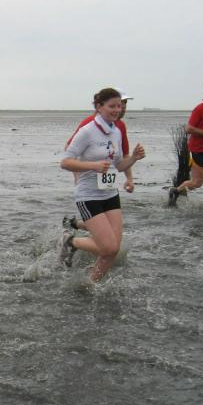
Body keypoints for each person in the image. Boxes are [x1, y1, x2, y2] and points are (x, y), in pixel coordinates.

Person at [59, 87, 145, 282]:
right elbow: (65, 162)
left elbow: (119, 165)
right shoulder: (87, 131)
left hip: (110, 194)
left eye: (119, 106)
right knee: (108, 247)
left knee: (113, 249)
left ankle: (92, 285)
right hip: (89, 196)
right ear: (99, 107)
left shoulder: (116, 131)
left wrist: (134, 158)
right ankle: (70, 241)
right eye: (112, 106)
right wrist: (92, 166)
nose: (117, 110)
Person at [63, 88, 135, 231]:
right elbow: (69, 148)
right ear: (101, 106)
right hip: (88, 181)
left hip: (107, 184)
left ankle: (75, 224)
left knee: (108, 229)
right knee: (102, 229)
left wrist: (130, 178)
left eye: (123, 103)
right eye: (117, 104)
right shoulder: (90, 123)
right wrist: (79, 174)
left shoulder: (119, 127)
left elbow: (124, 156)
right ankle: (74, 231)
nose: (122, 107)